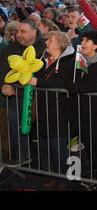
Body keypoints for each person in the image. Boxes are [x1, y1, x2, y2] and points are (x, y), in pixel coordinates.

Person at [28, 31, 75, 189]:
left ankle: (64, 181)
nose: (46, 43)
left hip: (60, 113)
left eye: (50, 40)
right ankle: (57, 176)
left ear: (59, 44)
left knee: (59, 150)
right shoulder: (44, 59)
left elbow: (62, 82)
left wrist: (37, 82)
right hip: (45, 111)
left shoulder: (69, 60)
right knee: (50, 149)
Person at [66, 30, 97, 184]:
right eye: (83, 40)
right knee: (88, 143)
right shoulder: (79, 61)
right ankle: (94, 174)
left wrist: (79, 87)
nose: (83, 43)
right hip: (82, 111)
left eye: (87, 40)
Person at [1, 19, 46, 167]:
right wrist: (4, 83)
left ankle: (50, 164)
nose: (19, 35)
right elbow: (2, 70)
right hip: (18, 95)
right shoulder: (9, 49)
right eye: (18, 32)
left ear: (33, 32)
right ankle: (22, 155)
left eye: (23, 32)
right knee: (14, 122)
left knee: (47, 127)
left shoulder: (45, 46)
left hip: (42, 95)